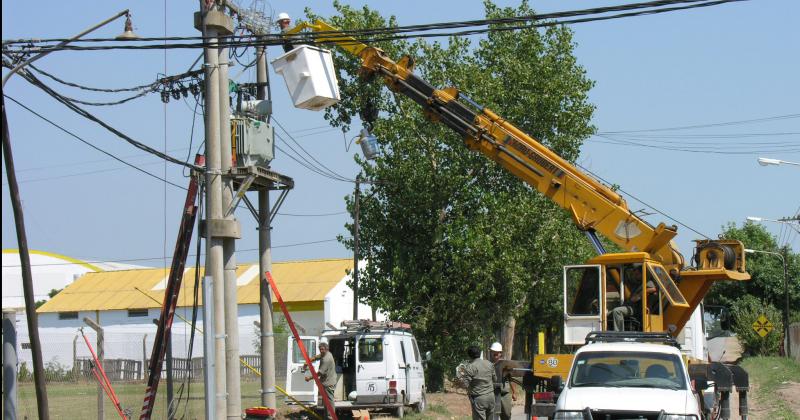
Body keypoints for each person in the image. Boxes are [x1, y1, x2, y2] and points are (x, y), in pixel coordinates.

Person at [612, 265, 656, 331]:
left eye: (637, 274)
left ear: (642, 274)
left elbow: (653, 289)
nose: (635, 276)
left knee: (617, 311)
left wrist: (640, 295)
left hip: (635, 308)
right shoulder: (637, 284)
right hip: (630, 305)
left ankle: (619, 332)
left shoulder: (648, 282)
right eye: (635, 274)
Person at [303, 339, 337, 417]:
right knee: (326, 401)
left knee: (329, 401)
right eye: (320, 349)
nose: (321, 351)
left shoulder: (326, 359)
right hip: (328, 381)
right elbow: (317, 356)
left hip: (328, 383)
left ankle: (330, 417)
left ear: (326, 349)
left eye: (322, 349)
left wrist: (309, 378)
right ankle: (327, 416)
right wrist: (307, 362)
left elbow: (319, 373)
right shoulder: (326, 353)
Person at [463, 345, 497, 420]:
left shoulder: (470, 367)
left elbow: (465, 384)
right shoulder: (489, 364)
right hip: (491, 397)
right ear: (480, 353)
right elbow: (495, 379)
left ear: (469, 356)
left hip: (479, 399)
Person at [489, 342, 516, 420]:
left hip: (504, 393)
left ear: (501, 353)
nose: (495, 354)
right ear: (491, 352)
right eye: (494, 352)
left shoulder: (506, 364)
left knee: (507, 414)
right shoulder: (488, 364)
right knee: (492, 415)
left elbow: (511, 379)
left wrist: (514, 392)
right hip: (492, 393)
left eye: (497, 353)